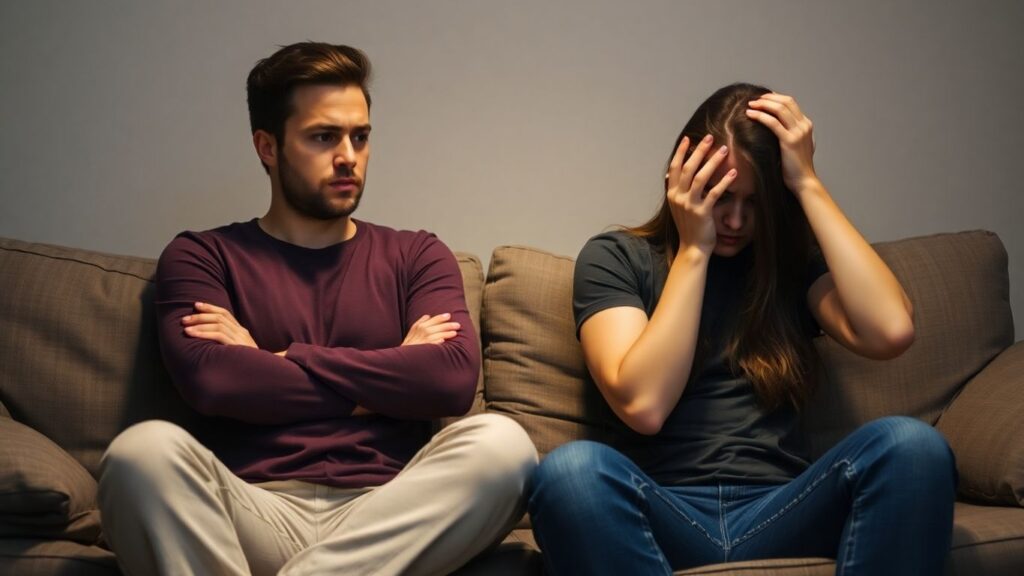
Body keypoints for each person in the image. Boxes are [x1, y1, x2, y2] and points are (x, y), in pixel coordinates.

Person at [96, 42, 537, 576]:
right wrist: (387, 378)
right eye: (323, 137)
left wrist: (276, 359)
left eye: (361, 136)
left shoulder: (417, 254)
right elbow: (215, 382)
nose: (348, 155)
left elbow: (449, 381)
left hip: (392, 515)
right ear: (268, 146)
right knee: (140, 455)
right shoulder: (202, 255)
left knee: (504, 446)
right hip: (252, 510)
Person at [527, 83, 956, 575]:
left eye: (755, 203)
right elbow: (644, 405)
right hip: (663, 510)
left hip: (784, 507)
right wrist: (694, 250)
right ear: (683, 180)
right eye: (721, 196)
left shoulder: (787, 267)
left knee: (913, 446)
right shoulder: (617, 257)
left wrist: (807, 182)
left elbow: (891, 331)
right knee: (570, 472)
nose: (734, 219)